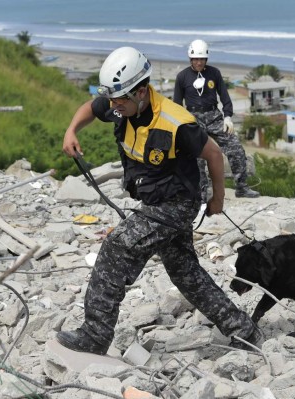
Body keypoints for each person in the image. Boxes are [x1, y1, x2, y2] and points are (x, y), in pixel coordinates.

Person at [59, 46, 261, 355]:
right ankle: (243, 330)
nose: (114, 107)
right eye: (112, 100)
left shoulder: (176, 122)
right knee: (185, 273)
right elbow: (92, 106)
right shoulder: (120, 105)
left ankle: (95, 335)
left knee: (117, 247)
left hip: (178, 203)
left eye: (120, 100)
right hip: (154, 202)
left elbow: (214, 154)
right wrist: (71, 130)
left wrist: (218, 198)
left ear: (141, 92)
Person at [173, 39, 260, 199]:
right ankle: (202, 192)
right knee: (197, 156)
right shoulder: (182, 77)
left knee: (236, 148)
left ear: (206, 58)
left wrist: (228, 116)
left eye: (202, 59)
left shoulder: (214, 73)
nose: (199, 62)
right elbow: (177, 105)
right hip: (193, 119)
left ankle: (242, 187)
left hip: (215, 117)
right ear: (190, 58)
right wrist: (180, 126)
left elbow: (225, 97)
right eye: (196, 59)